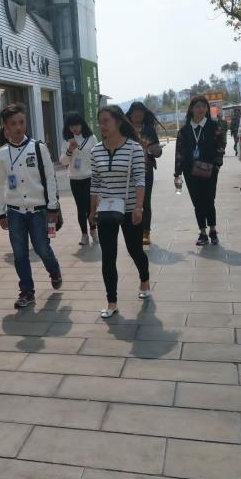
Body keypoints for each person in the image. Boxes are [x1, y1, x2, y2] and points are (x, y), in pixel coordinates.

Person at [0, 103, 62, 309]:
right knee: (19, 253)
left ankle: (54, 269)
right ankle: (26, 291)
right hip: (14, 212)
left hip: (39, 210)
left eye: (21, 122)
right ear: (6, 127)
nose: (18, 127)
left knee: (42, 247)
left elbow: (50, 178)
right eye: (13, 123)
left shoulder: (38, 148)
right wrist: (1, 212)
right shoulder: (1, 154)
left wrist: (52, 207)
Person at [89, 106, 150, 318]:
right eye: (100, 121)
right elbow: (95, 183)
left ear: (118, 122)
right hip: (107, 210)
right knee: (108, 256)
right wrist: (92, 211)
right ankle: (111, 302)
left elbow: (140, 179)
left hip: (130, 209)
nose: (102, 125)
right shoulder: (96, 151)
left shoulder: (134, 149)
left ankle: (144, 279)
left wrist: (139, 207)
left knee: (135, 250)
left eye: (106, 121)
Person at [174, 96, 227, 246]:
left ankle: (213, 230)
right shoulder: (184, 130)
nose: (201, 109)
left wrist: (217, 165)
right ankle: (202, 232)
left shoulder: (213, 126)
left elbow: (221, 144)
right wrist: (177, 173)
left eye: (204, 106)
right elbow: (179, 152)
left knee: (209, 200)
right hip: (190, 172)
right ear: (191, 109)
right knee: (197, 202)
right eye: (197, 106)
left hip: (210, 170)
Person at [125, 102, 163, 246]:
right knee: (131, 203)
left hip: (146, 170)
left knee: (145, 202)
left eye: (140, 114)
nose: (138, 117)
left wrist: (154, 150)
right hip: (128, 172)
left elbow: (158, 151)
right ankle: (135, 231)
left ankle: (146, 232)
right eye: (135, 114)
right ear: (130, 114)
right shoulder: (124, 129)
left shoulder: (149, 129)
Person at [59, 112, 97, 246]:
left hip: (89, 177)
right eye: (71, 126)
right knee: (80, 208)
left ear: (82, 124)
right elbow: (63, 161)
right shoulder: (67, 140)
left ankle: (93, 230)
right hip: (75, 179)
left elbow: (97, 156)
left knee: (90, 207)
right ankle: (84, 234)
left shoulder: (91, 138)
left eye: (76, 125)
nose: (74, 128)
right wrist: (70, 150)